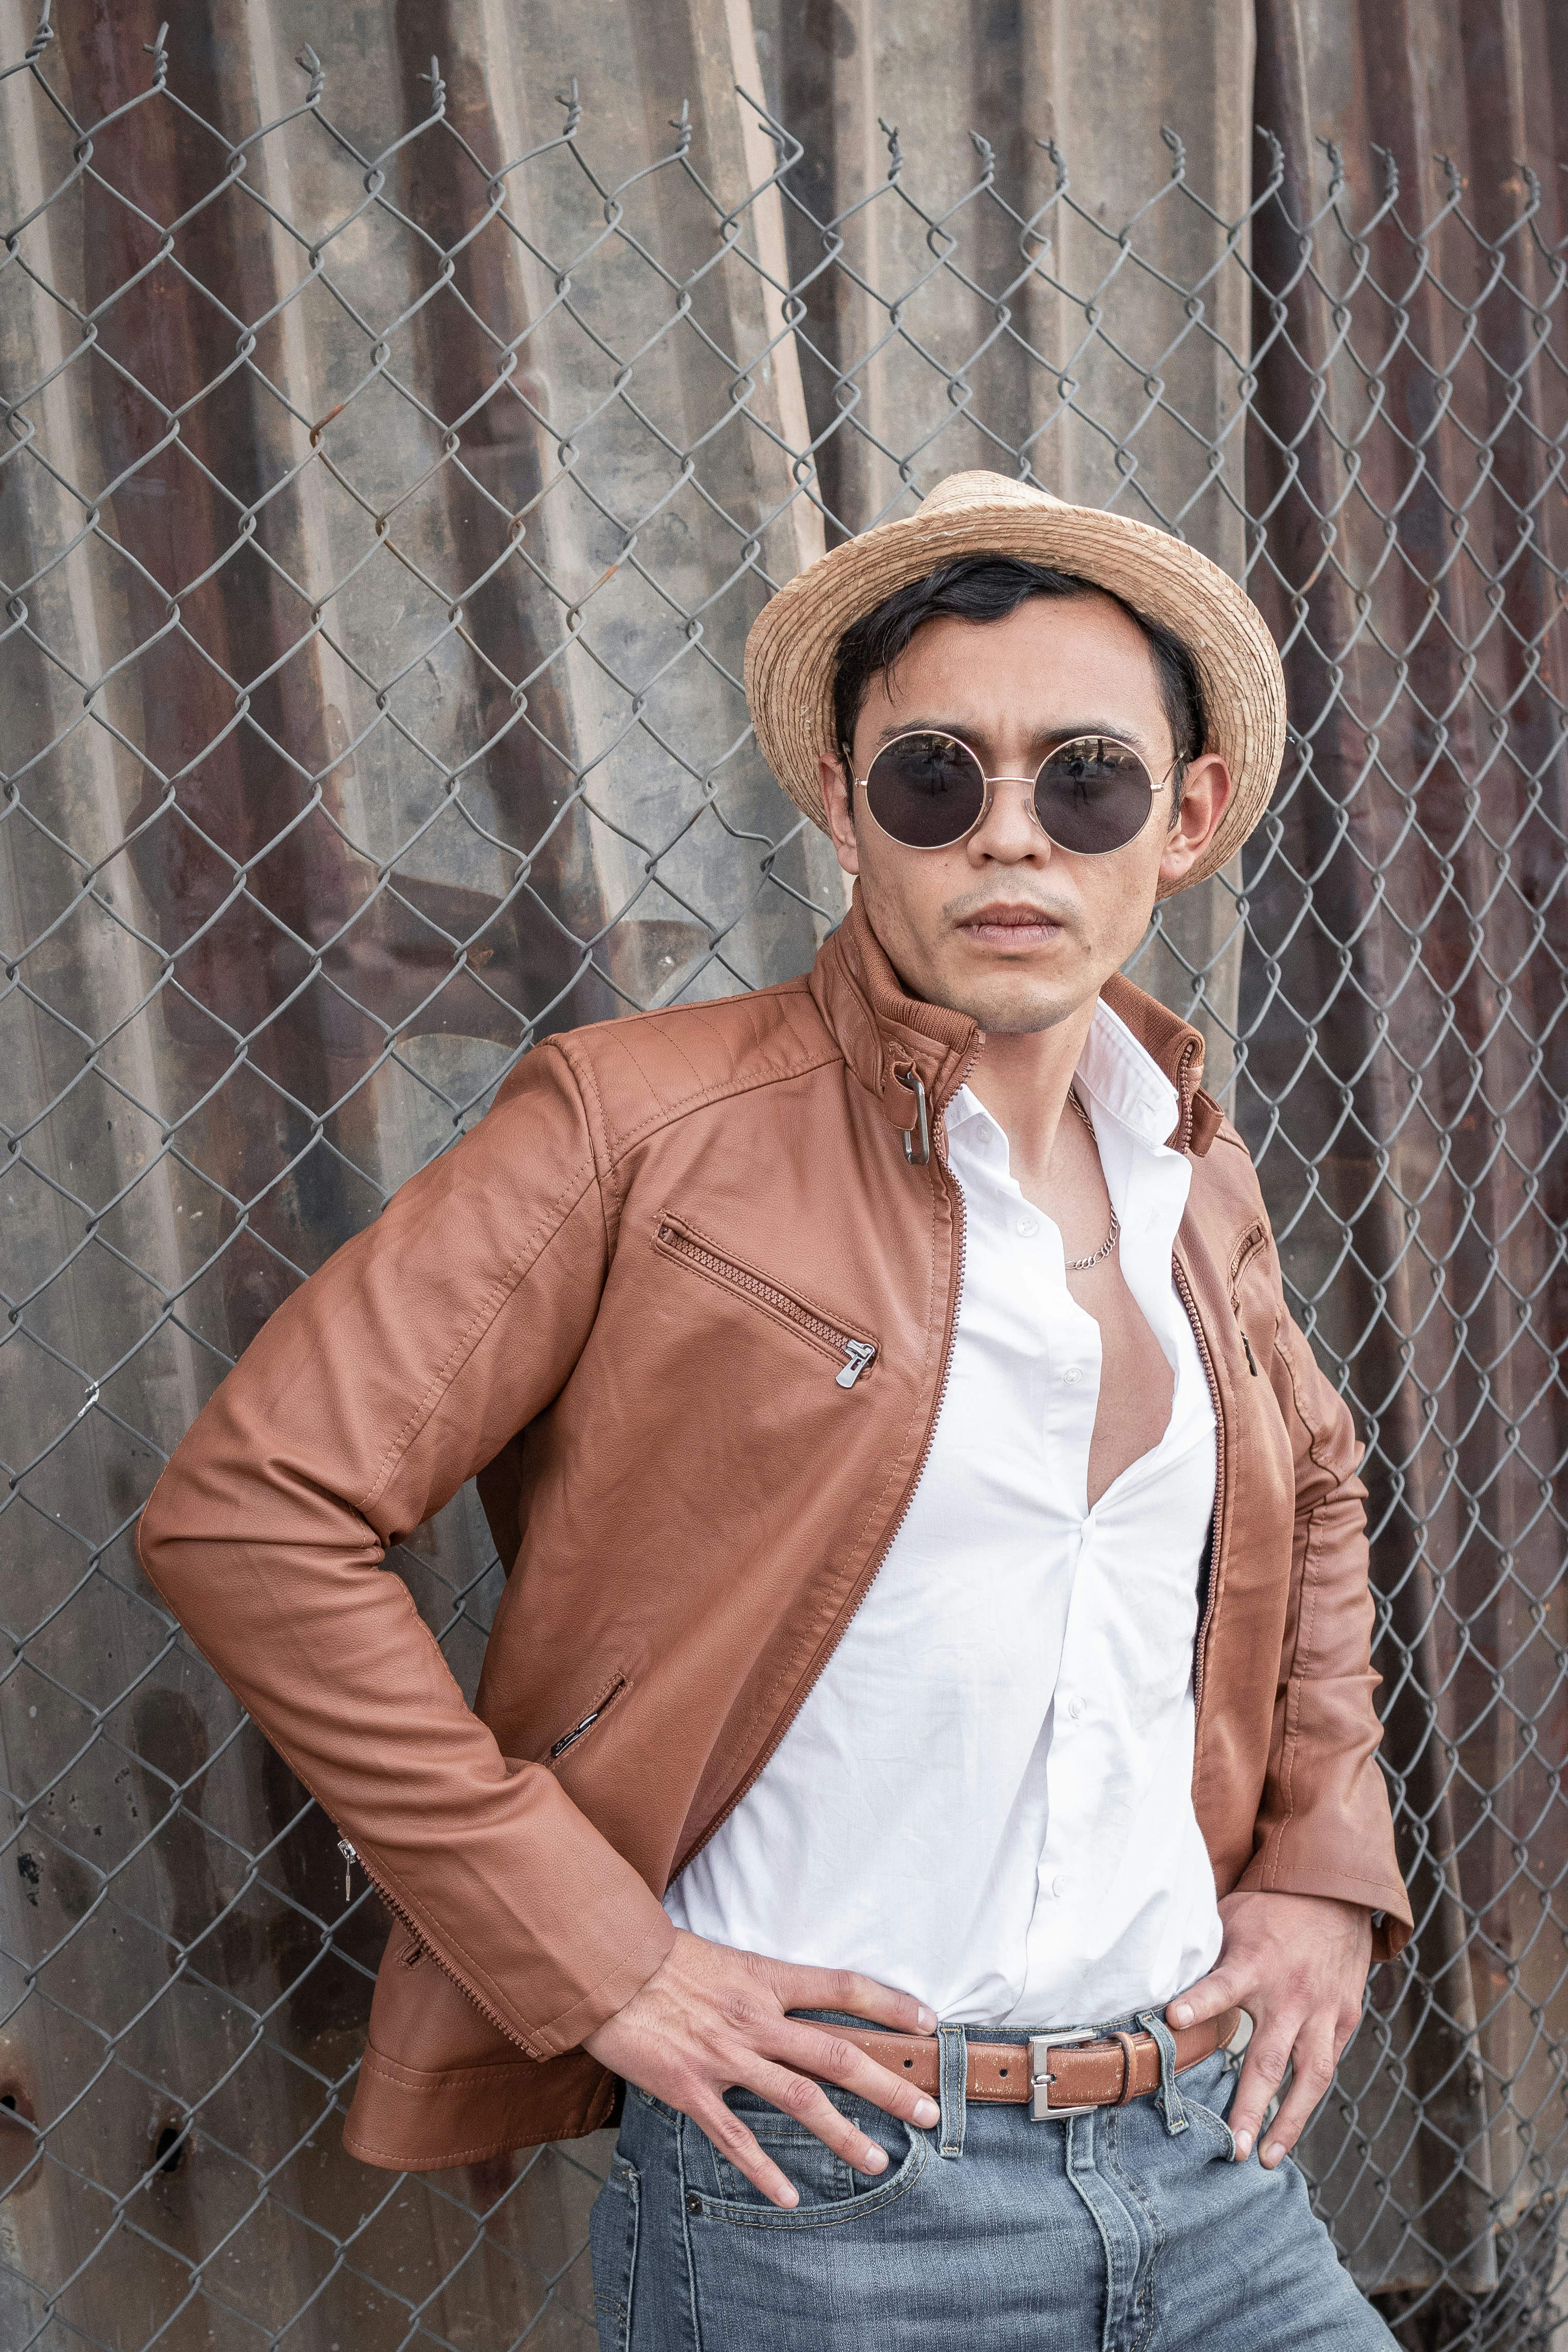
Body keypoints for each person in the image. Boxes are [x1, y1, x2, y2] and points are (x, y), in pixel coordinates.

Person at [138, 471, 1412, 2349]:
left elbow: (1308, 1484)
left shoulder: (1182, 1163)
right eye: (931, 779)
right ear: (841, 803)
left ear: (1186, 817)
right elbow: (249, 1515)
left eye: (1084, 780)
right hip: (830, 2203)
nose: (1009, 841)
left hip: (1207, 2159)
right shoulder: (633, 1128)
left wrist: (1321, 1858)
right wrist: (602, 1957)